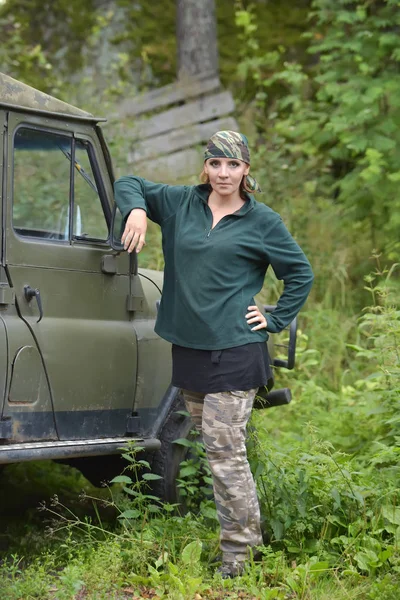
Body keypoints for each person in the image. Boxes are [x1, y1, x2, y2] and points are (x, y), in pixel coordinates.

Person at [114, 130, 314, 578]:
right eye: (216, 164)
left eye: (234, 165)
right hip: (189, 350)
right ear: (206, 167)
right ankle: (239, 542)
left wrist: (276, 318)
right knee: (212, 448)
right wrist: (139, 210)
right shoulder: (181, 203)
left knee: (226, 453)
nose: (224, 173)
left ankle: (240, 558)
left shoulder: (262, 222)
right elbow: (127, 180)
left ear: (246, 171)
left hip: (236, 351)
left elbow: (300, 273)